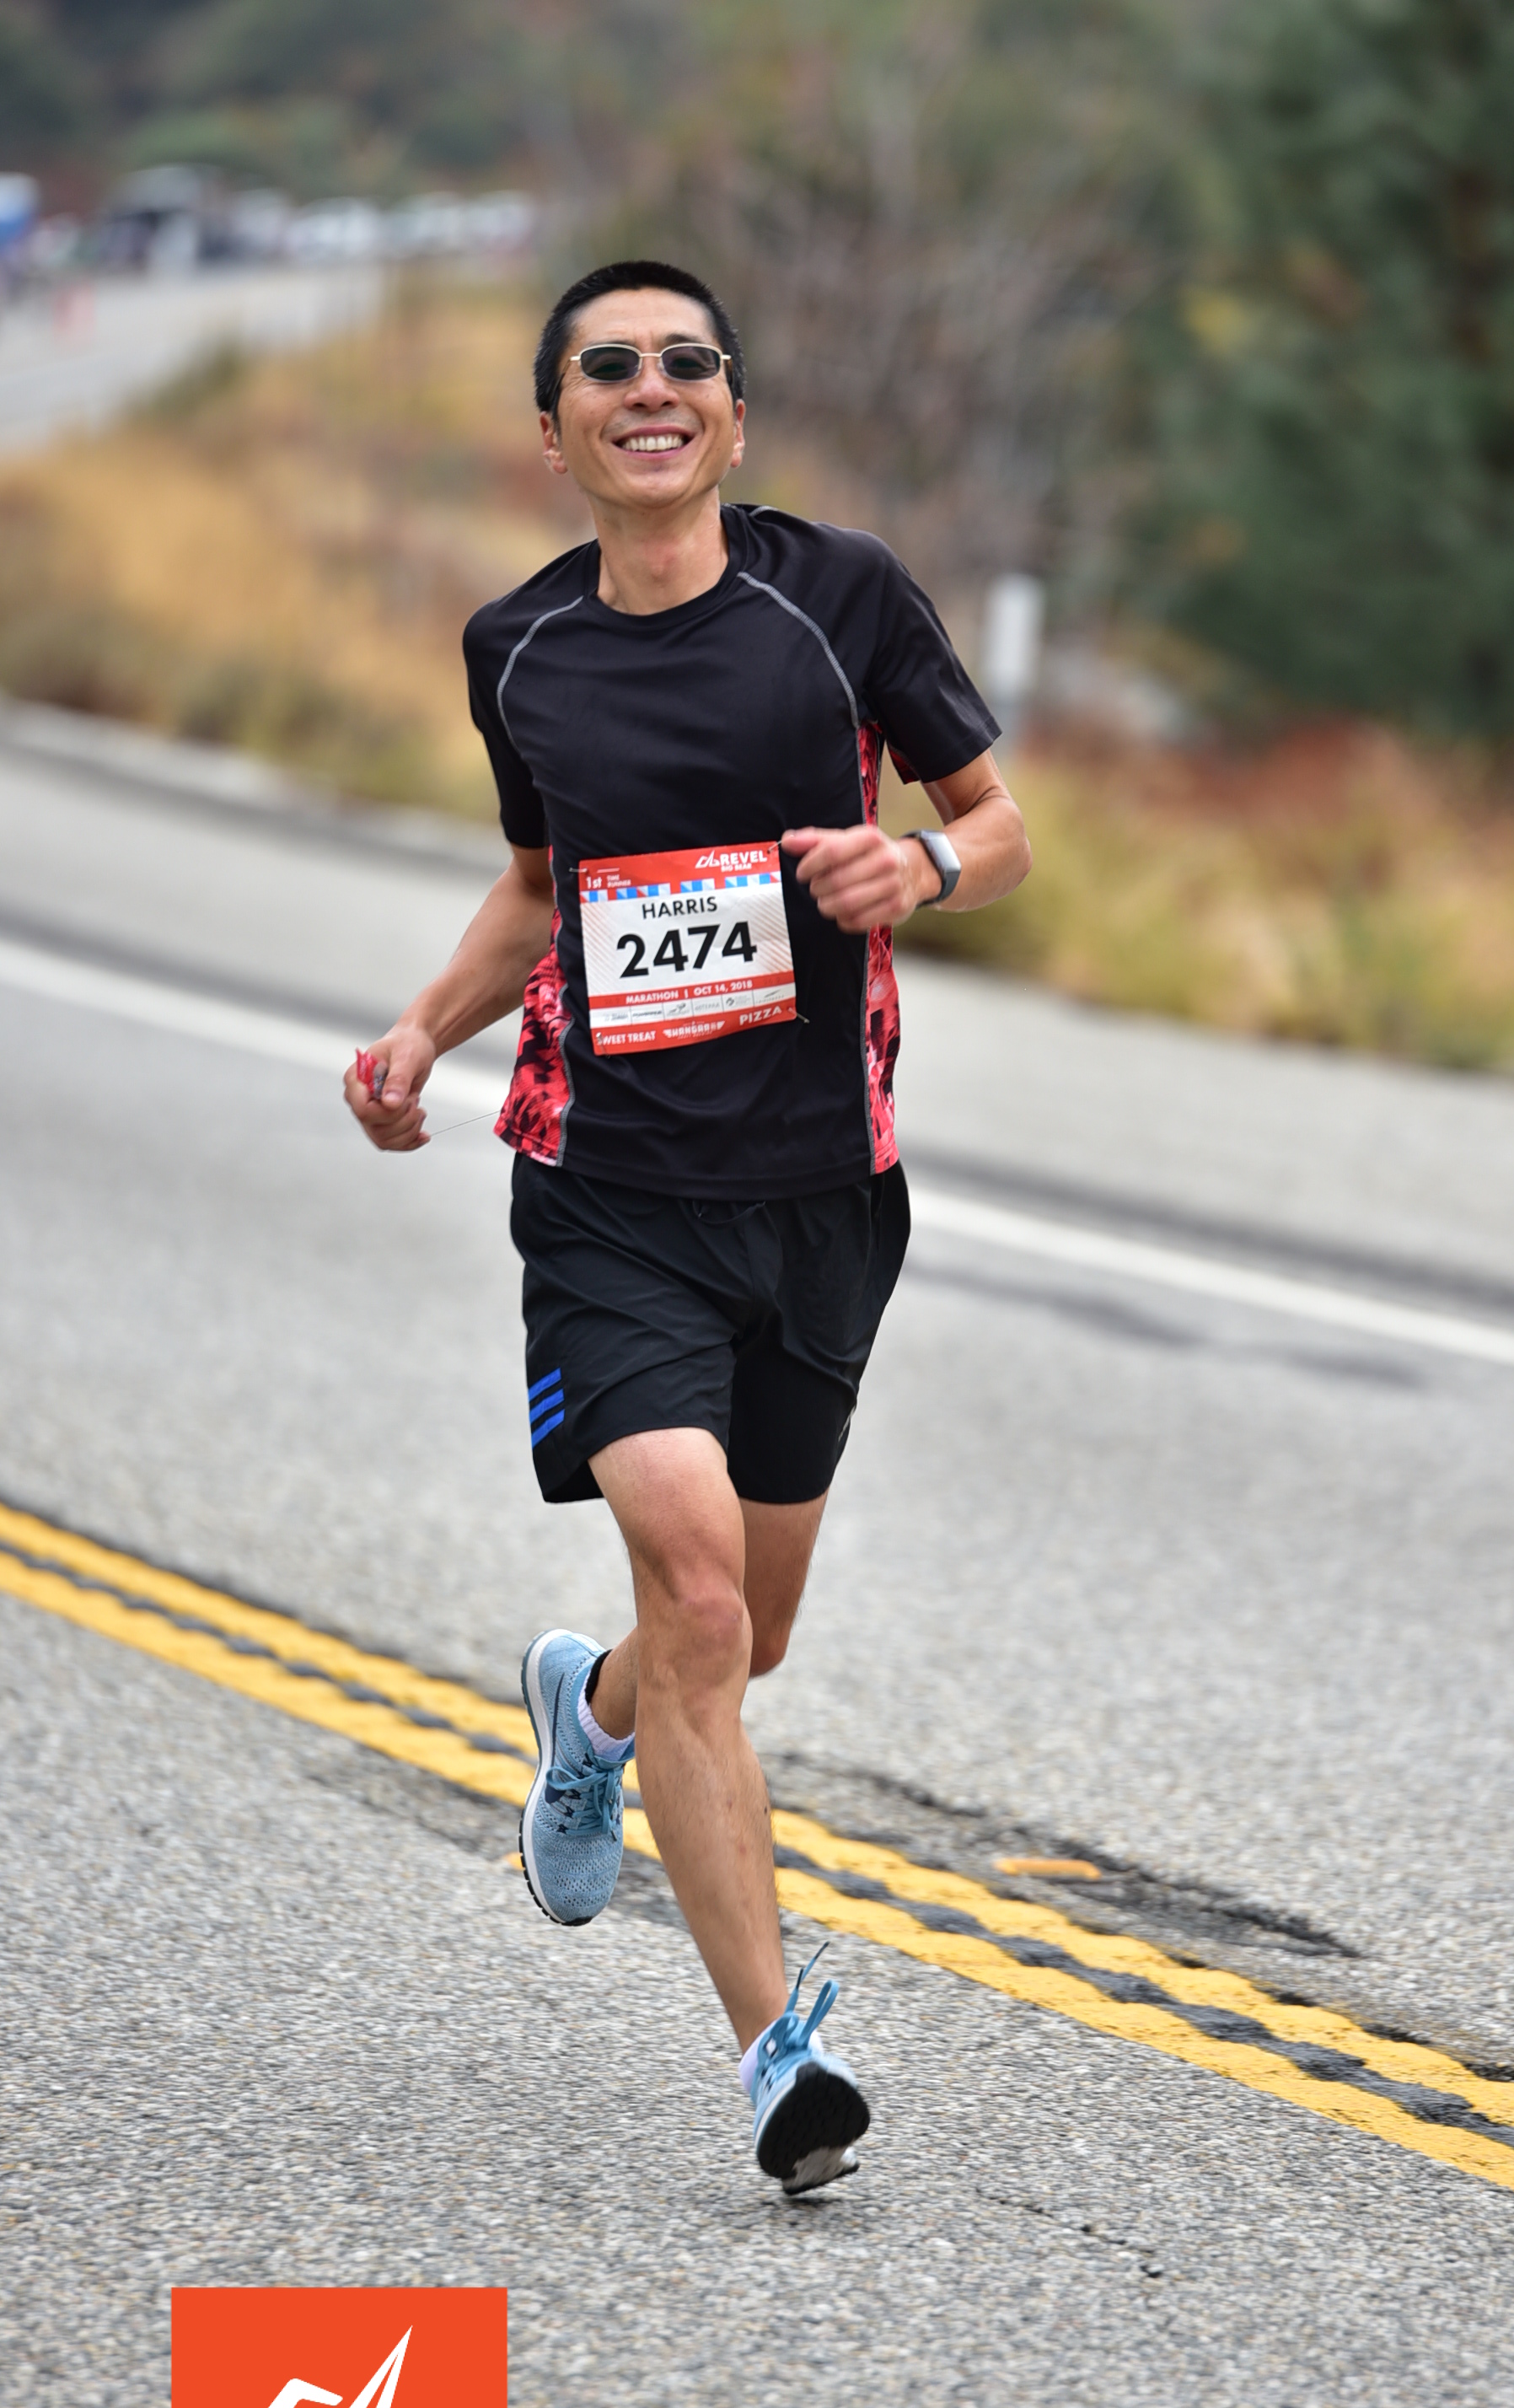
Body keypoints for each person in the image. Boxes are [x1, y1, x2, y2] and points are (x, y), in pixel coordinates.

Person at [345, 258, 1029, 2193]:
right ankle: (773, 2056)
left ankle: (588, 1718)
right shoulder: (518, 648)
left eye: (684, 363)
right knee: (703, 1599)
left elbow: (1000, 825)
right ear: (551, 425)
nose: (648, 389)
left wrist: (917, 864)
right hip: (609, 1193)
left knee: (745, 1631)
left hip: (822, 1196)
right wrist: (419, 1033)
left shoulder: (843, 601)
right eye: (607, 368)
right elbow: (536, 884)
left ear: (732, 412)